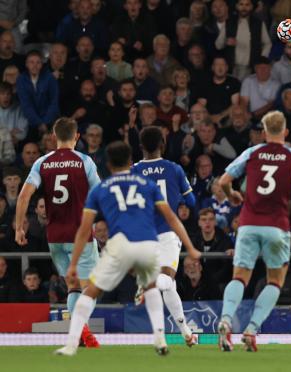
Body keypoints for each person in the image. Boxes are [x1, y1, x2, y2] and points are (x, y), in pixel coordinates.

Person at [54, 141, 201, 356]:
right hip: (147, 241)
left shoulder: (101, 188)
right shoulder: (146, 184)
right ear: (130, 161)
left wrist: (74, 264)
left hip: (121, 244)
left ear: (108, 164)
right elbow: (171, 217)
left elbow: (84, 230)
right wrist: (190, 246)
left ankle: (71, 344)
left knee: (92, 291)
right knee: (153, 287)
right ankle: (160, 340)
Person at [217, 110, 291, 352]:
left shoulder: (252, 153)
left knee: (240, 276)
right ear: (286, 132)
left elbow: (223, 181)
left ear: (264, 133)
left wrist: (232, 195)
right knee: (276, 280)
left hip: (248, 224)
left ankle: (226, 319)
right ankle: (251, 329)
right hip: (277, 227)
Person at [15, 117, 101, 347]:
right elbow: (100, 194)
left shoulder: (42, 162)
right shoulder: (85, 161)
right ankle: (81, 330)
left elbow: (24, 195)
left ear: (53, 137)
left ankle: (79, 332)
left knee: (73, 287)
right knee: (91, 288)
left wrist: (18, 227)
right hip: (79, 235)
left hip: (54, 238)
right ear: (77, 137)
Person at [131, 126, 198, 346]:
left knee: (170, 286)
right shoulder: (174, 169)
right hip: (168, 232)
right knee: (166, 278)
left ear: (141, 147)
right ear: (163, 143)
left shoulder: (133, 171)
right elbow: (192, 202)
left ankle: (186, 332)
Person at [16, 50, 60, 136]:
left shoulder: (50, 78)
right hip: (30, 121)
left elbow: (54, 102)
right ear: (26, 64)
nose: (35, 66)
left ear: (41, 64)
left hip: (50, 120)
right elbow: (26, 104)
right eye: (31, 62)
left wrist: (45, 122)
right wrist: (39, 123)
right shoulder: (21, 79)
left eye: (38, 62)